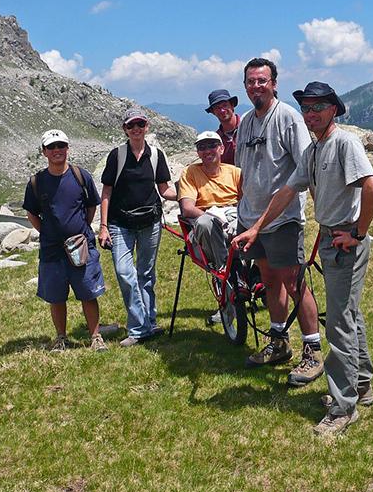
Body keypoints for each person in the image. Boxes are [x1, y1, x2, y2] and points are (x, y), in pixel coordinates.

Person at [234, 81, 373, 436]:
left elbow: (372, 187)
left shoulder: (344, 142)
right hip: (332, 237)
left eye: (318, 108)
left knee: (340, 322)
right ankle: (361, 386)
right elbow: (287, 191)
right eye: (307, 108)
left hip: (345, 240)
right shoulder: (314, 150)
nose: (311, 114)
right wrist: (257, 229)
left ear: (334, 109)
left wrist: (357, 233)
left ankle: (343, 407)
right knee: (349, 314)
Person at [233, 57, 323, 387]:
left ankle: (312, 349)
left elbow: (306, 167)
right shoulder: (245, 123)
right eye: (251, 81)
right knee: (269, 279)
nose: (256, 86)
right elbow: (244, 169)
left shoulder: (287, 118)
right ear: (245, 86)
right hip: (251, 218)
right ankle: (279, 341)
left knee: (294, 281)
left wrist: (321, 212)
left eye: (262, 81)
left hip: (283, 219)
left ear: (274, 84)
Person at [22, 129, 108, 352]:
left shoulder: (81, 176)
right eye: (51, 147)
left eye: (61, 146)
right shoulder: (36, 182)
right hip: (52, 250)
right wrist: (48, 232)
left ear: (67, 148)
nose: (57, 150)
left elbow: (91, 207)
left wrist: (81, 229)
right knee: (56, 296)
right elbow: (32, 213)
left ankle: (95, 336)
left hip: (81, 245)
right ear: (44, 152)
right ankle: (61, 337)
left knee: (88, 292)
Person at [99, 108, 178, 347]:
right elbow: (106, 191)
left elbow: (164, 189)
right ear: (125, 129)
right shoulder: (117, 155)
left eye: (140, 125)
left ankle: (147, 324)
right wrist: (103, 226)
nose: (136, 129)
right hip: (119, 224)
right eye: (131, 126)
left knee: (146, 274)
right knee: (125, 273)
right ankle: (139, 326)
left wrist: (188, 195)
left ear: (147, 127)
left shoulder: (155, 155)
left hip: (150, 222)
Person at [178, 130, 241, 269]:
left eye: (212, 145)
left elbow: (246, 203)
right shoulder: (190, 172)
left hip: (233, 214)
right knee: (206, 223)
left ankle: (258, 274)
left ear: (221, 149)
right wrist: (218, 219)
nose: (207, 151)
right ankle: (226, 268)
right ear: (198, 153)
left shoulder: (235, 172)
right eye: (202, 147)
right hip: (206, 218)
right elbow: (188, 208)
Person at [205, 89, 242, 165]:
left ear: (232, 106)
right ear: (213, 112)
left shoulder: (248, 127)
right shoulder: (215, 140)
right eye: (217, 108)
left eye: (225, 105)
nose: (222, 110)